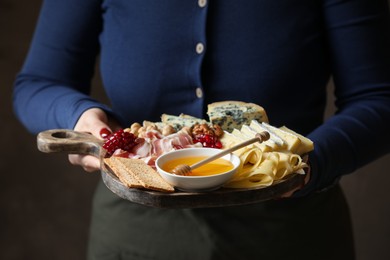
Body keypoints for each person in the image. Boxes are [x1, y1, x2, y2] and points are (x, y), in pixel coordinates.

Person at [13, 0, 390, 259]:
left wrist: (306, 164)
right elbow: (37, 83)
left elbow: (379, 97)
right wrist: (81, 118)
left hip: (291, 236)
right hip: (136, 239)